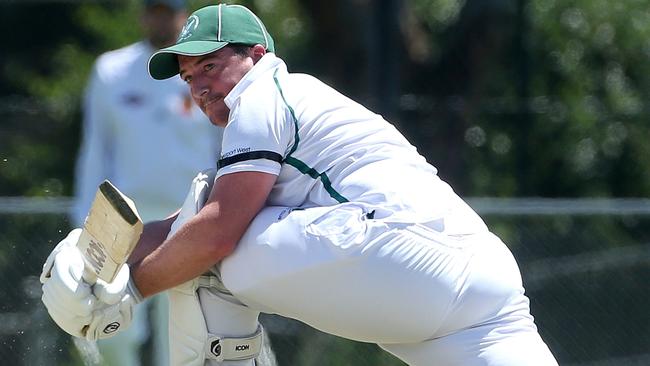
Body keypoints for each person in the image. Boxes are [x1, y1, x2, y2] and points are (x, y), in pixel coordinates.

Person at [43, 3, 559, 365]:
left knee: (206, 266)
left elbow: (216, 233)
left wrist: (129, 289)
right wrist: (103, 249)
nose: (199, 86)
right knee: (203, 235)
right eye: (188, 76)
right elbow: (195, 223)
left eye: (211, 65)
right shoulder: (289, 109)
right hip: (486, 289)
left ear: (258, 56)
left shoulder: (262, 93)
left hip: (407, 251)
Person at [71, 0, 222, 365]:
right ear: (142, 15)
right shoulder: (112, 69)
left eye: (168, 11)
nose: (160, 19)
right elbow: (95, 149)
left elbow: (223, 145)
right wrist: (83, 222)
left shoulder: (205, 70)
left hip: (190, 219)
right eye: (153, 11)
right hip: (126, 219)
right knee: (112, 331)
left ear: (183, 16)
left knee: (183, 334)